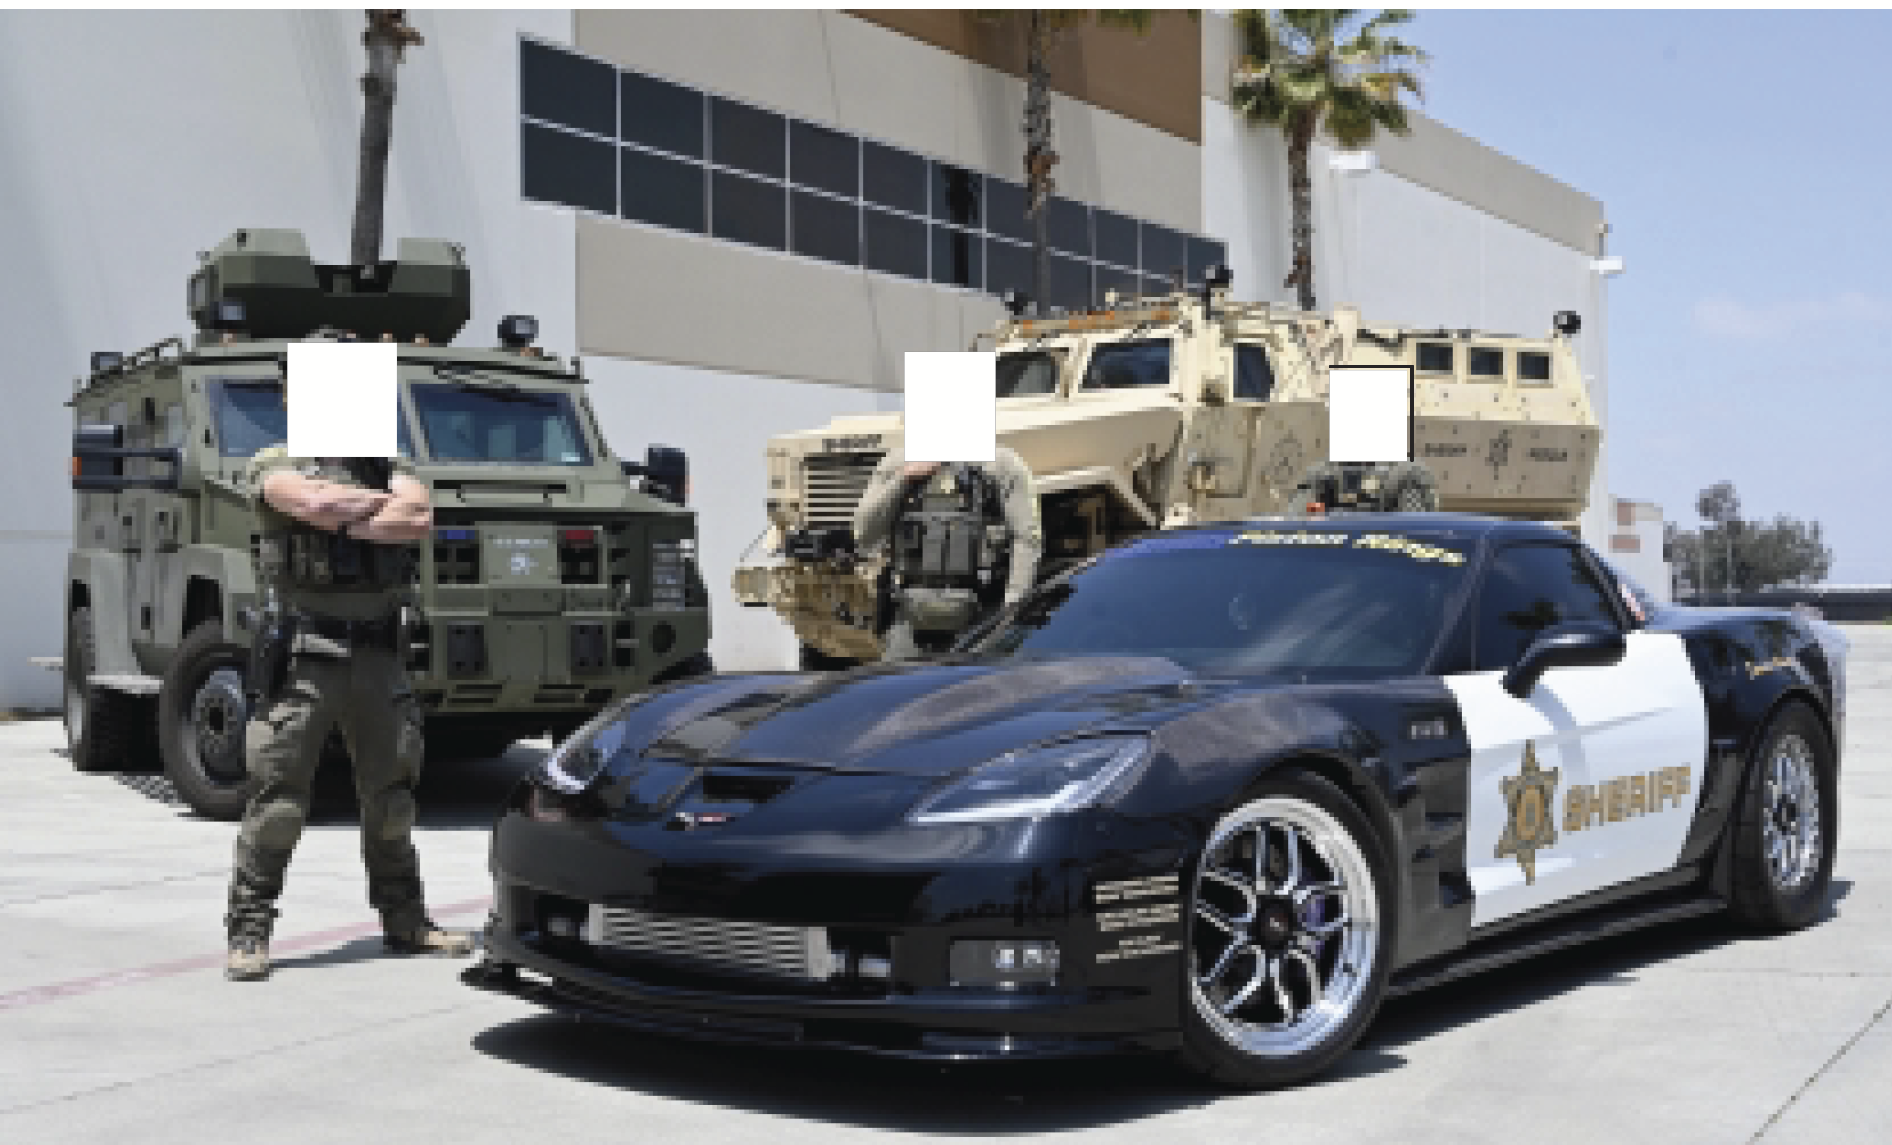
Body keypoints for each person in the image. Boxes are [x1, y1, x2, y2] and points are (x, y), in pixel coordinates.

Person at [224, 439, 474, 981]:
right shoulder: (274, 462)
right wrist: (368, 509)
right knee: (278, 802)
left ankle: (406, 921)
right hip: (303, 657)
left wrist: (344, 516)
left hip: (379, 656)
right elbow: (313, 503)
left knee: (391, 801)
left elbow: (417, 516)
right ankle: (249, 930)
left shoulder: (392, 465)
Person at [853, 444, 1043, 661]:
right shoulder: (898, 461)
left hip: (983, 620)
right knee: (900, 691)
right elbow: (864, 533)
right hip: (909, 620)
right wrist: (903, 479)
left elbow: (1027, 538)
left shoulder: (1003, 464)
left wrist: (1012, 607)